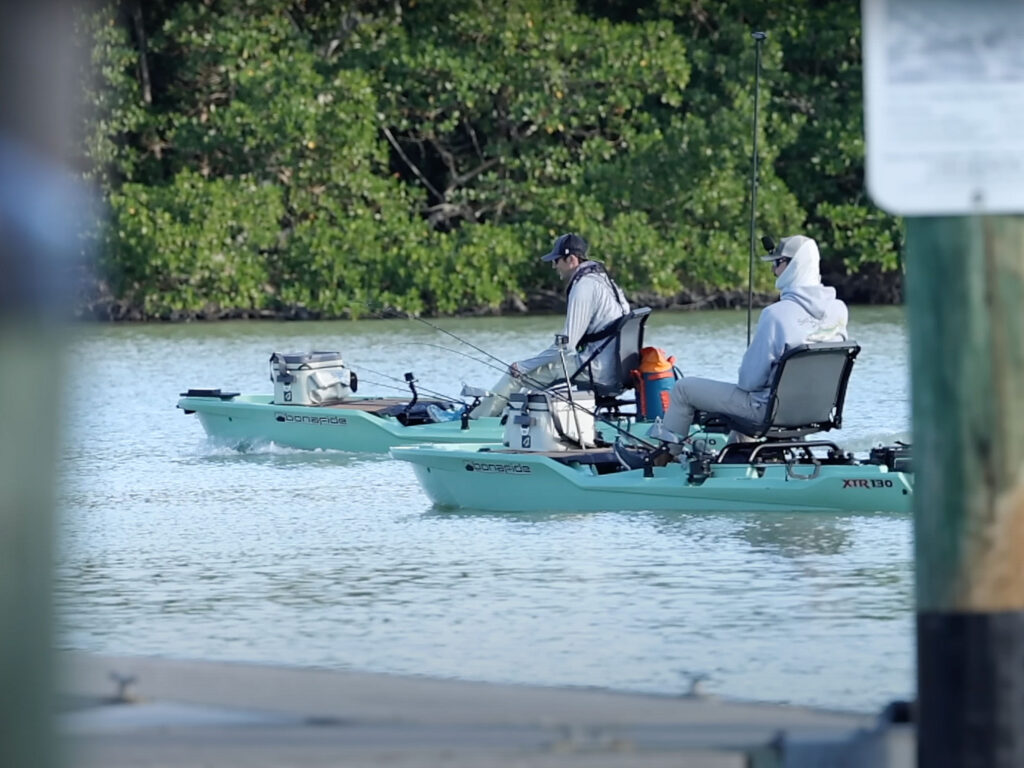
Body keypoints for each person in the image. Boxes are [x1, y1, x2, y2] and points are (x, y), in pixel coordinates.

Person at [660, 235, 849, 447]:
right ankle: (735, 460)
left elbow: (749, 382)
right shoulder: (839, 310)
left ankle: (664, 459)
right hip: (815, 411)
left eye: (778, 263)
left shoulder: (775, 315)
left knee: (683, 389)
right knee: (755, 405)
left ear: (795, 265)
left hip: (769, 412)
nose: (774, 271)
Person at [471, 233, 630, 417]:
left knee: (516, 375)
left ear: (571, 259)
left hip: (596, 370)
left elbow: (565, 345)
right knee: (534, 372)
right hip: (614, 370)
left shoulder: (584, 286)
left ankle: (477, 420)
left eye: (556, 261)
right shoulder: (605, 280)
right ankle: (507, 416)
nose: (554, 266)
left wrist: (523, 366)